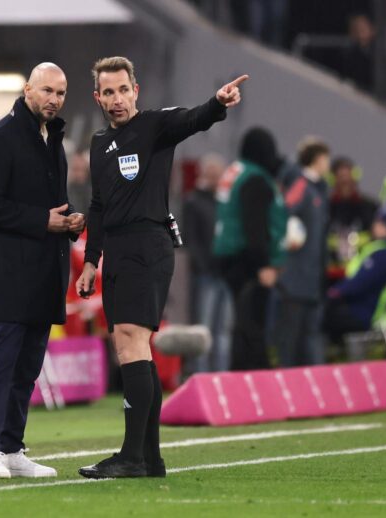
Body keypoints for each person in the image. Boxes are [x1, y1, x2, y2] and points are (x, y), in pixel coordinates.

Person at [75, 56, 246, 479]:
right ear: (98, 98)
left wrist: (217, 103)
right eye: (108, 92)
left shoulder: (154, 125)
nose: (117, 99)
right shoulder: (99, 143)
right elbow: (98, 206)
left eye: (123, 90)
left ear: (136, 90)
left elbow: (193, 119)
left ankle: (131, 456)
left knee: (131, 342)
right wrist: (91, 261)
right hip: (117, 251)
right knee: (134, 348)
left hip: (147, 245)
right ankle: (149, 458)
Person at [0, 63, 85, 479]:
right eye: (47, 90)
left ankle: (11, 447)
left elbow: (52, 203)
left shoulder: (52, 140)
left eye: (61, 93)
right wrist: (43, 221)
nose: (54, 99)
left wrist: (70, 220)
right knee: (3, 362)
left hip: (46, 271)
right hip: (11, 271)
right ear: (27, 90)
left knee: (28, 369)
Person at [213, 127, 287, 371]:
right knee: (252, 325)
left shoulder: (235, 171)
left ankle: (242, 375)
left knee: (242, 322)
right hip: (247, 260)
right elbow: (254, 225)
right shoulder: (255, 179)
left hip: (228, 256)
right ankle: (253, 378)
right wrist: (263, 264)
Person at [275, 138, 330, 367]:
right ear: (316, 159)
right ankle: (285, 380)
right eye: (325, 158)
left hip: (312, 279)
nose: (328, 163)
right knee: (291, 338)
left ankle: (312, 382)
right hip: (295, 279)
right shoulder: (300, 184)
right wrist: (289, 235)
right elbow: (283, 212)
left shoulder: (320, 189)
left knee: (310, 336)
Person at [182, 152, 232, 374]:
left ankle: (221, 376)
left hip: (225, 274)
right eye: (212, 173)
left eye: (218, 173)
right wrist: (204, 267)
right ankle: (201, 375)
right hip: (206, 275)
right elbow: (191, 240)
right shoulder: (193, 201)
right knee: (203, 328)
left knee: (223, 330)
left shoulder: (225, 202)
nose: (215, 178)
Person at [326, 208, 386, 344]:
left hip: (369, 311)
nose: (374, 226)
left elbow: (361, 282)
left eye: (379, 223)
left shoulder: (384, 253)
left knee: (322, 316)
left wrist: (335, 292)